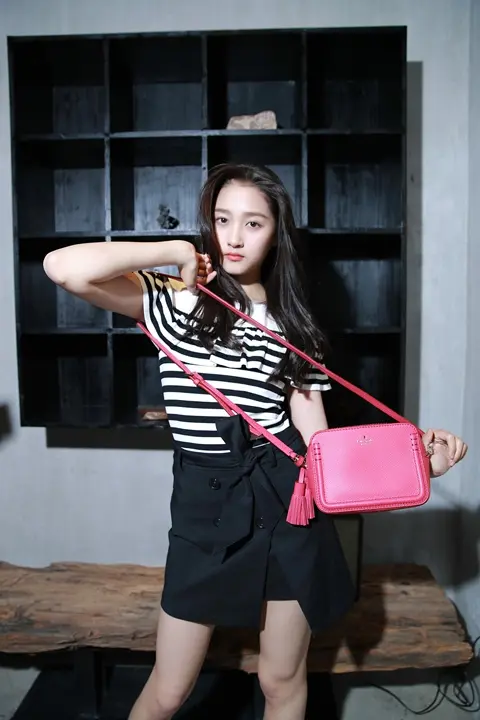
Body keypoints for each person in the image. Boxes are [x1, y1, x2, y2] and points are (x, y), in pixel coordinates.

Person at [43, 163, 468, 720]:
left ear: (276, 234)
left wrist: (418, 465)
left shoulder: (295, 328)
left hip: (287, 505)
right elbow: (63, 268)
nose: (235, 237)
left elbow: (320, 450)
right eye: (222, 220)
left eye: (253, 223)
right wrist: (173, 251)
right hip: (206, 508)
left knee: (280, 679)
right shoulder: (175, 299)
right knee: (169, 689)